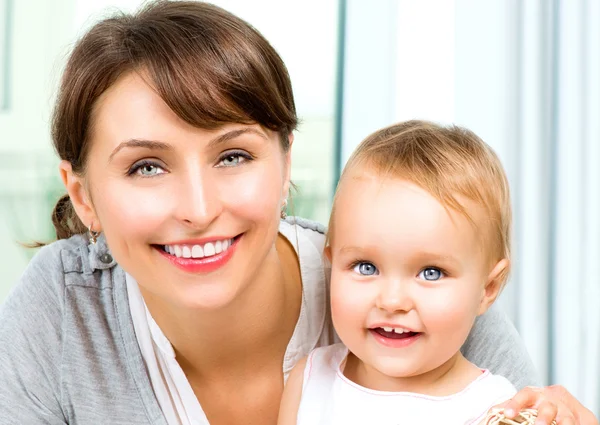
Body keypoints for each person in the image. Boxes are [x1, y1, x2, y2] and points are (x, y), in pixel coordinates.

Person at [0, 1, 595, 424]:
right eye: (146, 167)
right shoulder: (59, 309)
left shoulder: (430, 308)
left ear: (286, 166)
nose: (200, 209)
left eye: (233, 156)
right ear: (84, 197)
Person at [278, 120, 518, 424]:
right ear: (331, 264)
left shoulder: (499, 410)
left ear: (488, 288)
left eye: (431, 273)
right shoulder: (309, 381)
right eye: (366, 267)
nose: (392, 302)